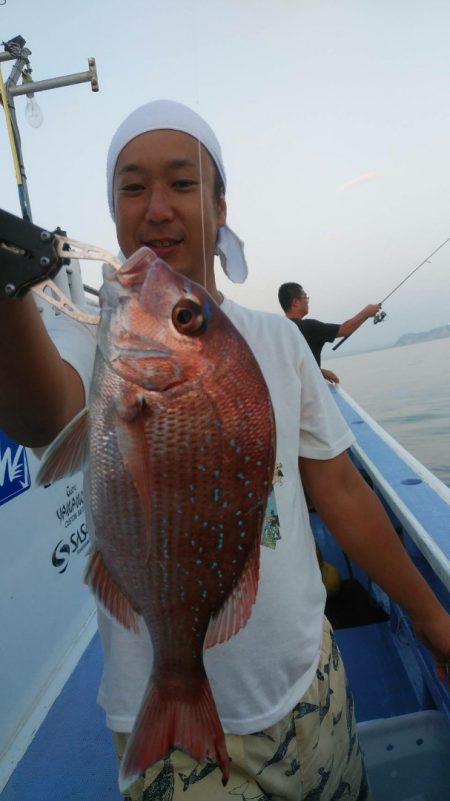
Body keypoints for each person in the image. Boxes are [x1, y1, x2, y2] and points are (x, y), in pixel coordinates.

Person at [0, 100, 449, 801]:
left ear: (219, 203)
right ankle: (176, 683)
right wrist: (7, 294)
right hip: (167, 727)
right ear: (111, 208)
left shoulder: (273, 341)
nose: (156, 208)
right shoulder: (95, 344)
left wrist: (429, 613)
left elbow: (343, 492)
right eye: (131, 186)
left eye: (181, 182)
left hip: (308, 680)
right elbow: (40, 415)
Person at [278, 282, 381, 383]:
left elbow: (294, 364)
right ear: (295, 302)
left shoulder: (280, 329)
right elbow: (345, 329)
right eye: (305, 297)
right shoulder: (308, 327)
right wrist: (366, 312)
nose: (307, 301)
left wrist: (319, 372)